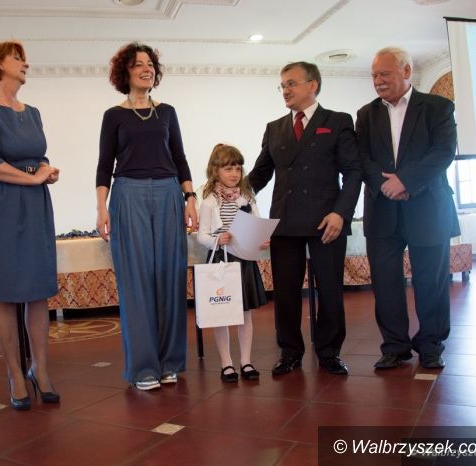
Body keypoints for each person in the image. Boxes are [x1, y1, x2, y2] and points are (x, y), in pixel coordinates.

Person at [248, 61, 362, 376]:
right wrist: (228, 192)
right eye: (282, 85)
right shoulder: (274, 128)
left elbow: (353, 172)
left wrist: (341, 213)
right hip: (285, 222)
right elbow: (260, 173)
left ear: (313, 85)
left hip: (327, 221)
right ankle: (289, 352)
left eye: (291, 83)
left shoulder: (337, 121)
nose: (285, 90)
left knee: (330, 290)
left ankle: (329, 352)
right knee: (285, 293)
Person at [96, 42, 199, 391]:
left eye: (150, 64)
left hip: (169, 192)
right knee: (136, 282)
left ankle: (170, 363)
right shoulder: (113, 116)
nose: (147, 69)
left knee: (170, 276)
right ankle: (143, 368)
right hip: (128, 194)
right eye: (139, 64)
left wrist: (190, 197)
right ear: (124, 72)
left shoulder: (167, 112)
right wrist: (101, 208)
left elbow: (180, 157)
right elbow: (104, 165)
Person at [0, 40, 61, 409]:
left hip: (35, 203)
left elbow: (38, 155)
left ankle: (41, 369)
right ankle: (15, 375)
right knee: (5, 292)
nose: (26, 63)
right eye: (17, 58)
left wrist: (45, 171)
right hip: (0, 204)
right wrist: (33, 178)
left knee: (38, 290)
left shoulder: (32, 112)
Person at [356, 47, 459, 370]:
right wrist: (385, 184)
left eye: (384, 74)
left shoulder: (438, 107)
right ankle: (394, 347)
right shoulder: (366, 114)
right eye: (374, 75)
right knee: (385, 283)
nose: (378, 80)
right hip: (382, 209)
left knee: (431, 281)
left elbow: (443, 152)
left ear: (406, 71)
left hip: (428, 208)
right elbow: (362, 158)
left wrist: (406, 181)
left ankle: (431, 345)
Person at [197, 144, 268, 383]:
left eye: (238, 168)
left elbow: (257, 224)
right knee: (223, 313)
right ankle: (226, 363)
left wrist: (261, 239)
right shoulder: (209, 201)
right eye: (228, 168)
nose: (234, 173)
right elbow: (202, 235)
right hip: (221, 261)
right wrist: (217, 239)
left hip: (244, 261)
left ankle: (246, 361)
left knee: (245, 314)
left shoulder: (247, 197)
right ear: (215, 170)